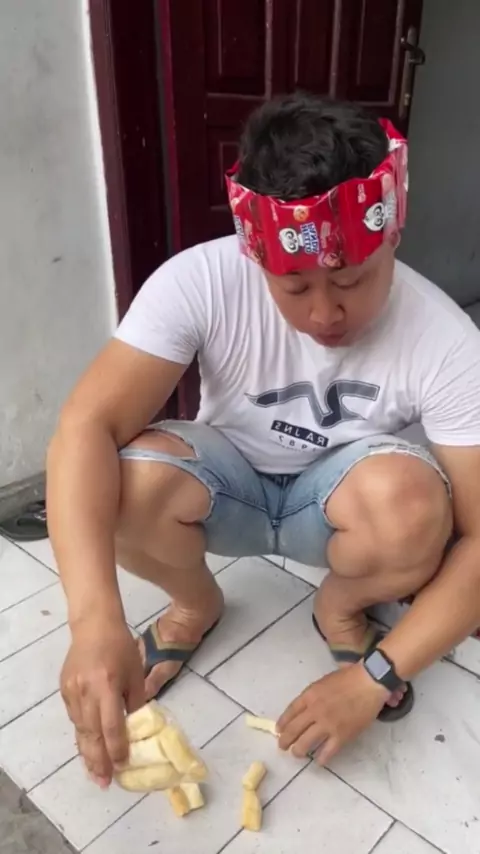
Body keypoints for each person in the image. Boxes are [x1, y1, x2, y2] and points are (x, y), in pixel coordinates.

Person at [47, 93, 480, 790]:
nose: (325, 313)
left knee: (411, 501)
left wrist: (375, 676)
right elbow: (84, 426)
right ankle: (195, 604)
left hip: (343, 504)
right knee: (126, 481)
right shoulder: (200, 280)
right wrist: (94, 620)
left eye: (351, 280)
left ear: (392, 236)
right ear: (256, 257)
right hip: (231, 486)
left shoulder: (447, 341)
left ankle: (341, 607)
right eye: (294, 287)